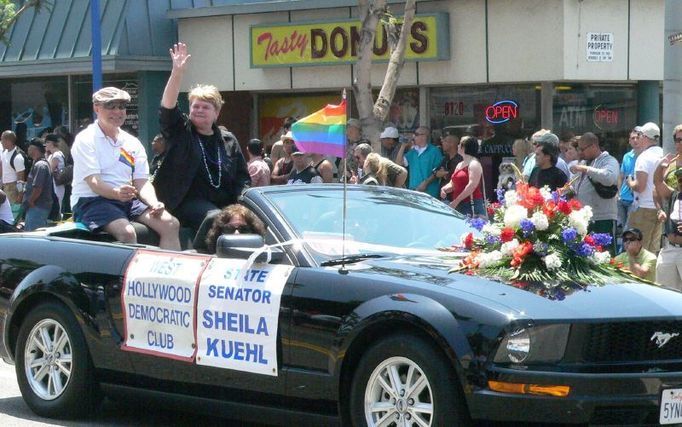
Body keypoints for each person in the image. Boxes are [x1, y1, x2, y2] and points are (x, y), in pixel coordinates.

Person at [155, 43, 250, 235]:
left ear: (217, 112)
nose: (199, 110)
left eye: (205, 107)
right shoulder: (181, 132)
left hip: (225, 203)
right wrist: (177, 73)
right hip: (185, 203)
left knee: (251, 219)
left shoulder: (228, 140)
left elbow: (242, 178)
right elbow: (167, 107)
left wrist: (242, 204)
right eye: (195, 106)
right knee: (217, 219)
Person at [71, 87, 180, 250]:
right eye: (111, 106)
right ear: (96, 108)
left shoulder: (132, 142)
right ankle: (132, 275)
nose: (118, 111)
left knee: (170, 224)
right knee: (127, 233)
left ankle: (168, 273)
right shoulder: (85, 139)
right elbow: (94, 182)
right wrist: (116, 193)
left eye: (121, 107)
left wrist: (154, 202)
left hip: (126, 200)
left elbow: (142, 181)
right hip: (92, 201)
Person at [571, 132, 619, 255]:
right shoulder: (584, 163)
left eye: (582, 149)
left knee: (605, 255)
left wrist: (585, 169)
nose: (580, 152)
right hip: (584, 220)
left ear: (593, 146)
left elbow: (609, 178)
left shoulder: (609, 161)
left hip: (603, 219)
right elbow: (575, 186)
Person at [627, 122, 664, 254]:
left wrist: (630, 182)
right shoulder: (663, 153)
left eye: (640, 135)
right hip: (659, 208)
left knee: (638, 250)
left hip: (643, 208)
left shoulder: (644, 157)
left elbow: (640, 186)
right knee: (653, 250)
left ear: (645, 137)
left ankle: (639, 275)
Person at [653, 154, 682, 289]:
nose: (681, 182)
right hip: (669, 248)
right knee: (665, 292)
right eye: (679, 179)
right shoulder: (674, 195)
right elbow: (658, 183)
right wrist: (660, 166)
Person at [440, 136, 485, 216]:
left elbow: (472, 186)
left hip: (471, 205)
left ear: (465, 147)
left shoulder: (474, 164)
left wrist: (456, 201)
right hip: (459, 205)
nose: (458, 146)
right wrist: (445, 188)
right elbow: (453, 184)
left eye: (460, 144)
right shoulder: (460, 164)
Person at [397, 126, 443, 197]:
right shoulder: (413, 152)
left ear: (424, 136)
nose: (413, 136)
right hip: (413, 192)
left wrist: (426, 183)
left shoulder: (435, 151)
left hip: (429, 192)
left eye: (416, 134)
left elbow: (438, 171)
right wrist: (403, 146)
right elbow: (398, 163)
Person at [22, 138, 53, 231]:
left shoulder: (40, 165)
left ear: (34, 149)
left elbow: (38, 187)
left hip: (37, 207)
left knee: (33, 237)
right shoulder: (38, 164)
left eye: (29, 147)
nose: (27, 149)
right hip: (36, 207)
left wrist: (31, 201)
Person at [0, 130, 27, 219]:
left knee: (13, 216)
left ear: (8, 141)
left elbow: (21, 179)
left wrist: (19, 197)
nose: (1, 142)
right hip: (5, 188)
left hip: (13, 189)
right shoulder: (5, 153)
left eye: (2, 140)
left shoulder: (17, 157)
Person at [618, 129, 641, 228]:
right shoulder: (626, 156)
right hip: (622, 197)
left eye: (637, 137)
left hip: (635, 199)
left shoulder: (645, 156)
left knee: (628, 229)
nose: (635, 140)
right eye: (633, 138)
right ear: (629, 141)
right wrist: (617, 193)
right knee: (624, 229)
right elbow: (621, 175)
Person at [44, 134, 66, 213]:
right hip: (53, 184)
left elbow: (50, 169)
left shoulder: (57, 155)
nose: (45, 144)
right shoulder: (51, 155)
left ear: (52, 143)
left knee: (57, 204)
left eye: (47, 142)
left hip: (57, 183)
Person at [437, 130, 463, 195]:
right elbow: (436, 172)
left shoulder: (460, 160)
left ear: (452, 144)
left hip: (454, 196)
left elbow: (454, 177)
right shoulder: (445, 158)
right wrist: (445, 173)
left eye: (445, 141)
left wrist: (444, 173)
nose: (442, 143)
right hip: (443, 195)